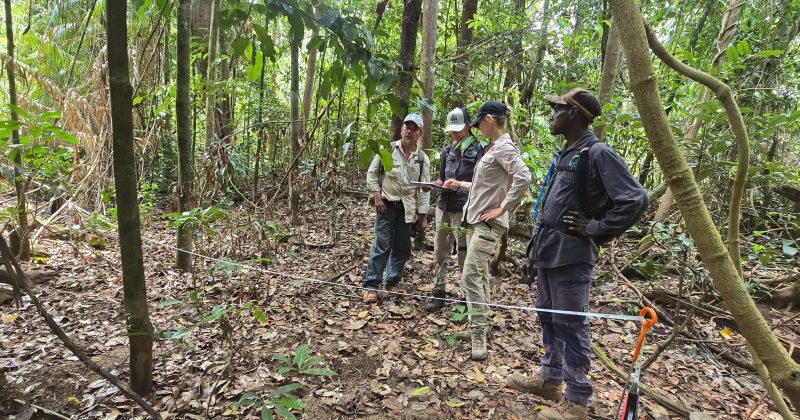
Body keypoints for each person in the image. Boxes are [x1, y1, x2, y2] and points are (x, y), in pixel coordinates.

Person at [507, 88, 648, 420]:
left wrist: (596, 228)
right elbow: (547, 208)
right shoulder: (566, 153)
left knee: (571, 324)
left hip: (572, 255)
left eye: (557, 109)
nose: (552, 115)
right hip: (548, 252)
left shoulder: (597, 153)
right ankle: (549, 379)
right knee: (547, 317)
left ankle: (577, 400)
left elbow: (636, 199)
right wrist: (531, 253)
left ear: (572, 114)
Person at [443, 101, 531, 360]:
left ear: (490, 119)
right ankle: (481, 326)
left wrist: (504, 207)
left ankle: (479, 334)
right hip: (475, 220)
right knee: (479, 275)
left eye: (480, 123)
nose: (478, 127)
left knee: (469, 276)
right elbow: (486, 185)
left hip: (488, 224)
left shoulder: (504, 147)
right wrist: (460, 184)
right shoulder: (493, 148)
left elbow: (523, 176)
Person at [362, 113, 431, 303]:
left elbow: (425, 189)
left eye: (414, 128)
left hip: (408, 209)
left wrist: (423, 216)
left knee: (402, 248)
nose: (409, 131)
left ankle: (393, 282)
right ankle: (371, 286)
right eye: (406, 127)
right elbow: (372, 174)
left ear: (420, 133)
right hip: (386, 206)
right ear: (401, 130)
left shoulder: (422, 159)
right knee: (382, 245)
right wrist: (377, 198)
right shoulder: (387, 151)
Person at [424, 107, 484, 312]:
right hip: (444, 205)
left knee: (463, 253)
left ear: (468, 125)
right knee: (440, 249)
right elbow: (442, 176)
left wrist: (458, 184)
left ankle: (465, 294)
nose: (454, 133)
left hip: (464, 208)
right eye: (452, 130)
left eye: (458, 129)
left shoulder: (479, 149)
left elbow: (480, 181)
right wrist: (437, 183)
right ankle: (438, 291)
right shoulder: (447, 151)